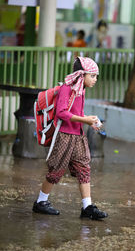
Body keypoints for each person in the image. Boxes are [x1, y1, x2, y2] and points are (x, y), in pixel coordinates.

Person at [32, 57, 108, 220]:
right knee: (56, 169)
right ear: (82, 75)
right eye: (93, 76)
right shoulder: (67, 88)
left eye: (96, 76)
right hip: (64, 136)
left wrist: (90, 120)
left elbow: (77, 114)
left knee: (84, 168)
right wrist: (84, 120)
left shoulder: (81, 89)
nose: (95, 79)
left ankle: (87, 207)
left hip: (78, 136)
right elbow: (61, 113)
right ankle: (40, 202)